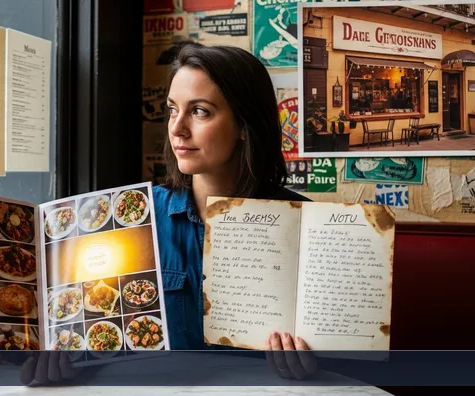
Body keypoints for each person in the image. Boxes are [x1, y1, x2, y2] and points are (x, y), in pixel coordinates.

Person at [21, 43, 317, 384]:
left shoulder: (303, 224)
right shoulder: (133, 218)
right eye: (172, 110)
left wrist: (312, 366)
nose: (177, 129)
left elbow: (346, 356)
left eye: (200, 111)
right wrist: (57, 362)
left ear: (244, 125)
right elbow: (95, 340)